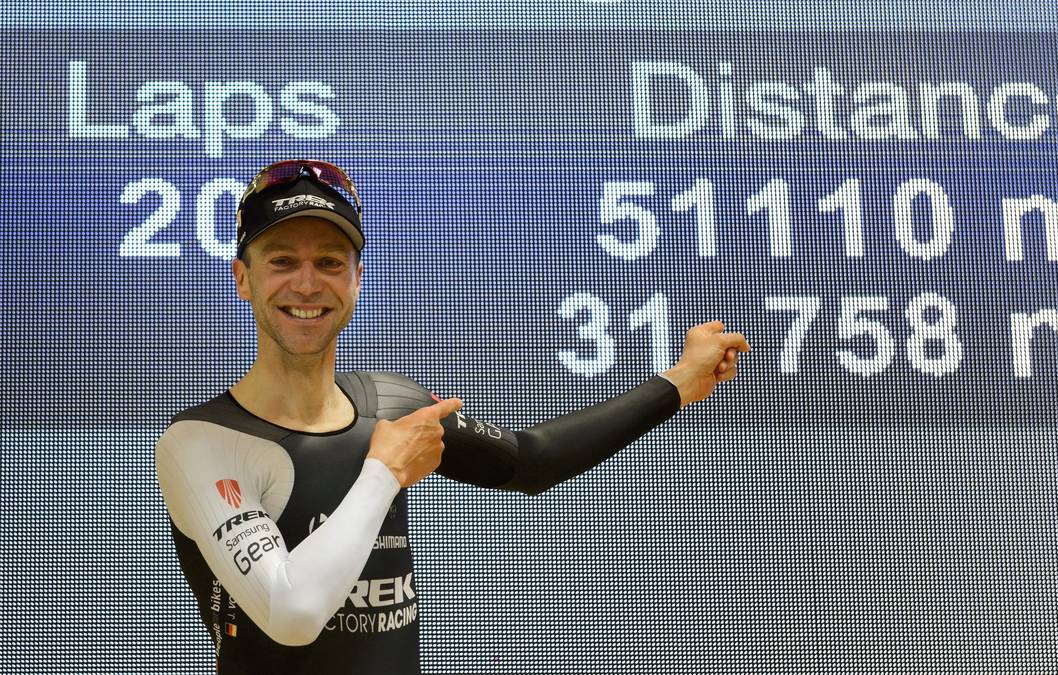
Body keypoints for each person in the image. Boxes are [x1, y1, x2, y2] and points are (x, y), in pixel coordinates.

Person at [154, 159, 751, 674]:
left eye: (331, 262)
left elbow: (529, 462)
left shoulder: (390, 405)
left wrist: (679, 383)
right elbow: (291, 613)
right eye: (282, 260)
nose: (307, 284)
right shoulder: (203, 442)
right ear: (244, 279)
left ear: (356, 280)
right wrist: (382, 474)